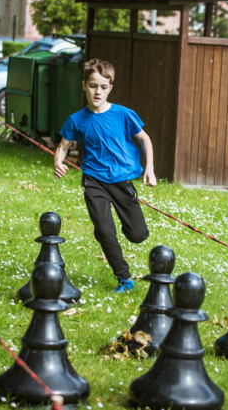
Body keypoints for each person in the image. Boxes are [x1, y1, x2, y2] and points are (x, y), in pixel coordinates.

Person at [54, 58, 157, 293]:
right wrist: (58, 162)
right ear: (84, 86)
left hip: (122, 182)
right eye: (92, 85)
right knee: (105, 231)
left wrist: (149, 168)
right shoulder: (76, 120)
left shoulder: (123, 114)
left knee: (138, 235)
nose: (97, 91)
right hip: (94, 181)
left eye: (102, 86)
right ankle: (124, 277)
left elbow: (145, 138)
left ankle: (112, 227)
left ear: (110, 88)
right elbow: (62, 146)